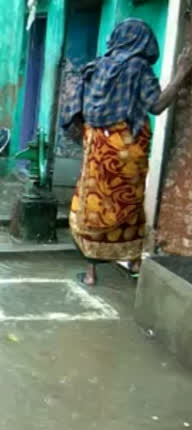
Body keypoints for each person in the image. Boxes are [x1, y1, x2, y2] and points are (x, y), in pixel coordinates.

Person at [61, 19, 192, 286]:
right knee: (129, 202)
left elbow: (79, 107)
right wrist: (181, 74)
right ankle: (133, 262)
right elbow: (155, 105)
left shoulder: (97, 66)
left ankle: (90, 273)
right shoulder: (138, 68)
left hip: (97, 146)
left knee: (94, 203)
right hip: (127, 148)